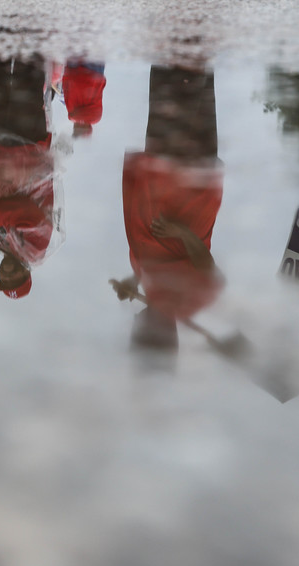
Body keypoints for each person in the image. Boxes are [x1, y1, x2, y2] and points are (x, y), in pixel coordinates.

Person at [111, 65, 224, 352]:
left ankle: (171, 31)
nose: (136, 323)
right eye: (141, 330)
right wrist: (181, 232)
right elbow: (208, 269)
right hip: (192, 179)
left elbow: (157, 261)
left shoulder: (154, 289)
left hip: (159, 171)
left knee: (165, 83)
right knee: (194, 80)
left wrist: (133, 279)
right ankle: (194, 31)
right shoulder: (189, 302)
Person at [0, 56, 64, 299]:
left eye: (3, 280)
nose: (5, 275)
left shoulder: (1, 240)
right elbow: (24, 212)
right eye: (12, 279)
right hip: (27, 146)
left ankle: (1, 26)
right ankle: (33, 23)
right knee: (28, 73)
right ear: (26, 274)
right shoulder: (35, 251)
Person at [61, 61, 106, 138]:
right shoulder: (94, 118)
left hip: (74, 72)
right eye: (78, 130)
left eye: (75, 130)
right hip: (91, 73)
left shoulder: (74, 113)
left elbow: (67, 92)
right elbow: (78, 116)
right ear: (87, 128)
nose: (75, 127)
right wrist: (71, 117)